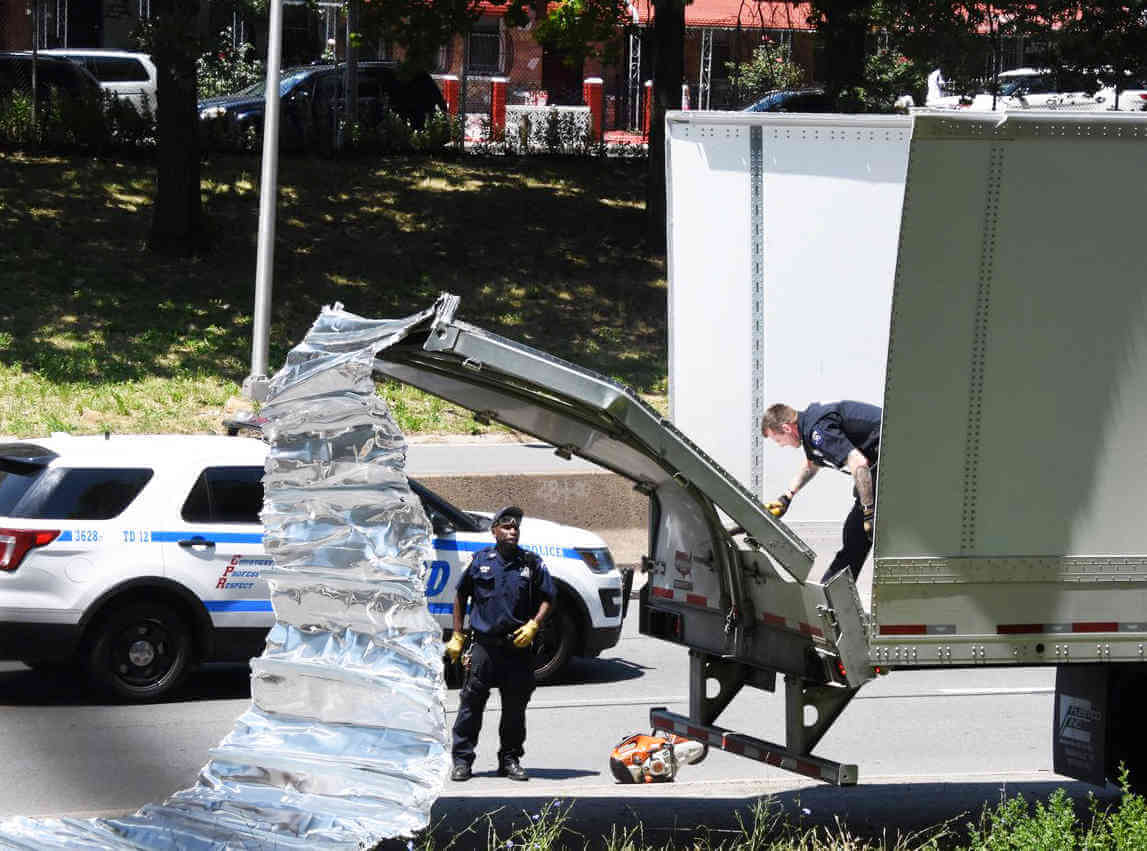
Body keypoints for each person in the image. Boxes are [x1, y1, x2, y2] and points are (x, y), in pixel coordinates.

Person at [445, 505, 555, 782]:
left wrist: (534, 624)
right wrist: (458, 635)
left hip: (518, 648)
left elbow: (548, 597)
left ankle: (510, 760)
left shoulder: (531, 563)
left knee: (515, 709)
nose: (512, 531)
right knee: (471, 705)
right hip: (484, 647)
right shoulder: (481, 560)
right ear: (494, 531)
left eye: (516, 527)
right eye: (506, 527)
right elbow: (460, 595)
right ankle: (462, 761)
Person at [760, 401, 881, 583]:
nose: (780, 445)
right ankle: (832, 599)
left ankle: (832, 601)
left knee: (857, 533)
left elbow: (859, 463)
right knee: (855, 535)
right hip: (883, 463)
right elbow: (812, 465)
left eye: (778, 440)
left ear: (786, 428)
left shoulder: (818, 431)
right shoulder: (810, 428)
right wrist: (787, 497)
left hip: (894, 457)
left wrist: (869, 511)